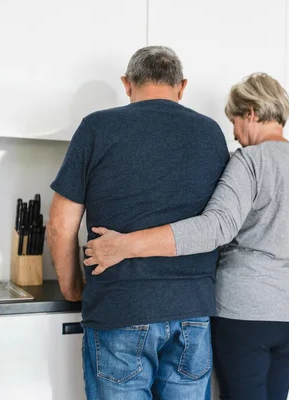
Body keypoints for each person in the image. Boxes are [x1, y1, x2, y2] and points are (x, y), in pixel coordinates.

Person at [83, 72, 289, 400]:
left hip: (247, 314)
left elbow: (215, 227)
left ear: (251, 114)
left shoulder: (251, 160)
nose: (236, 134)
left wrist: (124, 245)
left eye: (235, 121)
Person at [47, 46, 229, 399]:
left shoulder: (97, 127)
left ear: (127, 84)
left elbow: (59, 226)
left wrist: (73, 291)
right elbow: (216, 223)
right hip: (193, 312)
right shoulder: (211, 134)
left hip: (120, 308)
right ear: (182, 86)